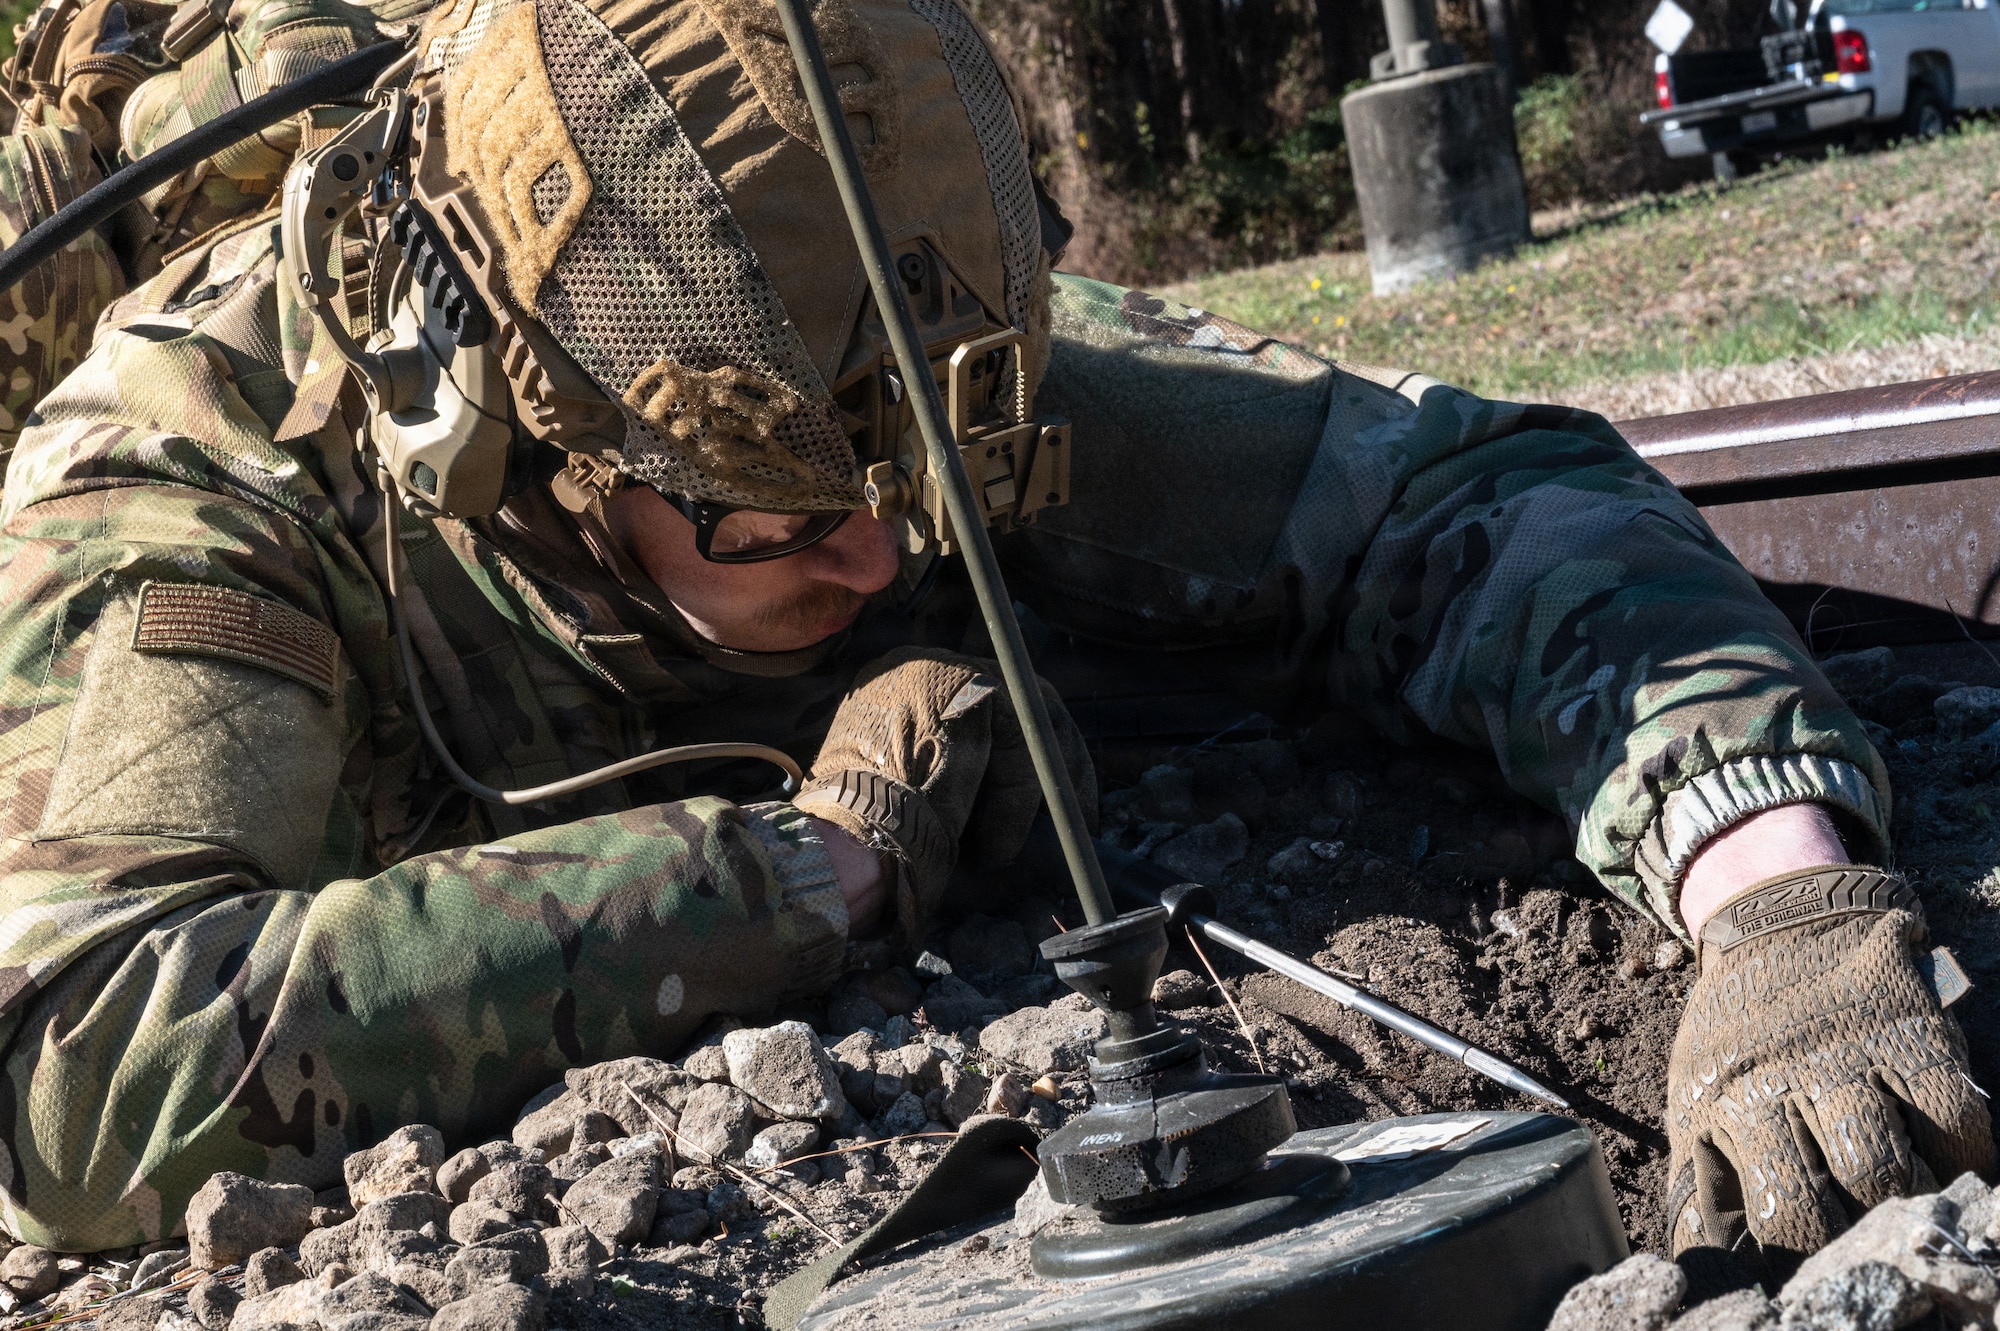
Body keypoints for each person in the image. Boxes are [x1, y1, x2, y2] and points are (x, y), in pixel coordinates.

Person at [0, 0, 1982, 1274]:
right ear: (504, 427)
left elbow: (1475, 492)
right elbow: (71, 1065)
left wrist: (1773, 893)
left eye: (936, 494)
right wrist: (807, 864)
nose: (884, 563)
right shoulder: (197, 487)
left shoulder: (865, 333)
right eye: (780, 523)